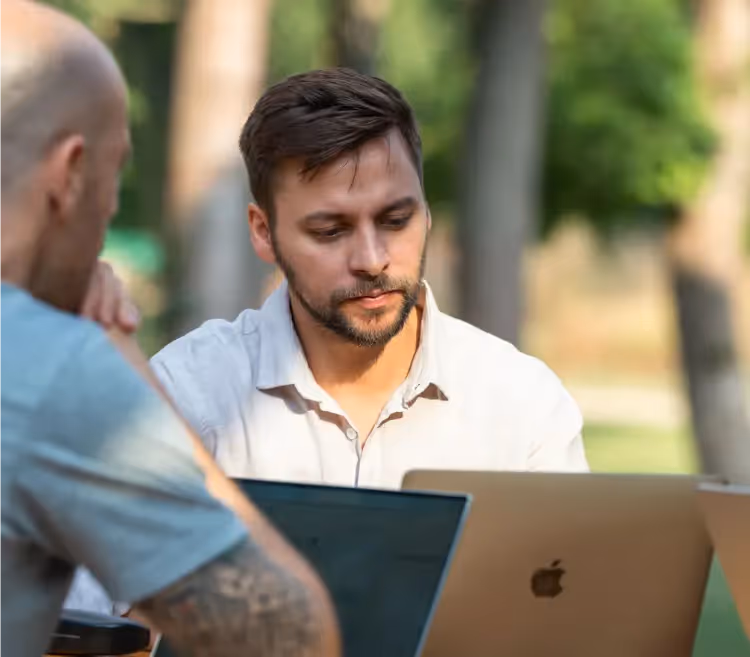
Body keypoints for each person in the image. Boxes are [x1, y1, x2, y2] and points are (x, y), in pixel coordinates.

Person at [69, 67, 589, 609]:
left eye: (395, 220)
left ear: (427, 212)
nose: (371, 260)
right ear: (263, 231)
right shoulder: (188, 394)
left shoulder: (523, 404)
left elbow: (575, 616)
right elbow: (86, 626)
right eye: (330, 231)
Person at [0, 3, 340, 656]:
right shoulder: (51, 367)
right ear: (70, 173)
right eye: (113, 174)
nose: (111, 206)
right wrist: (120, 365)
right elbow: (290, 636)